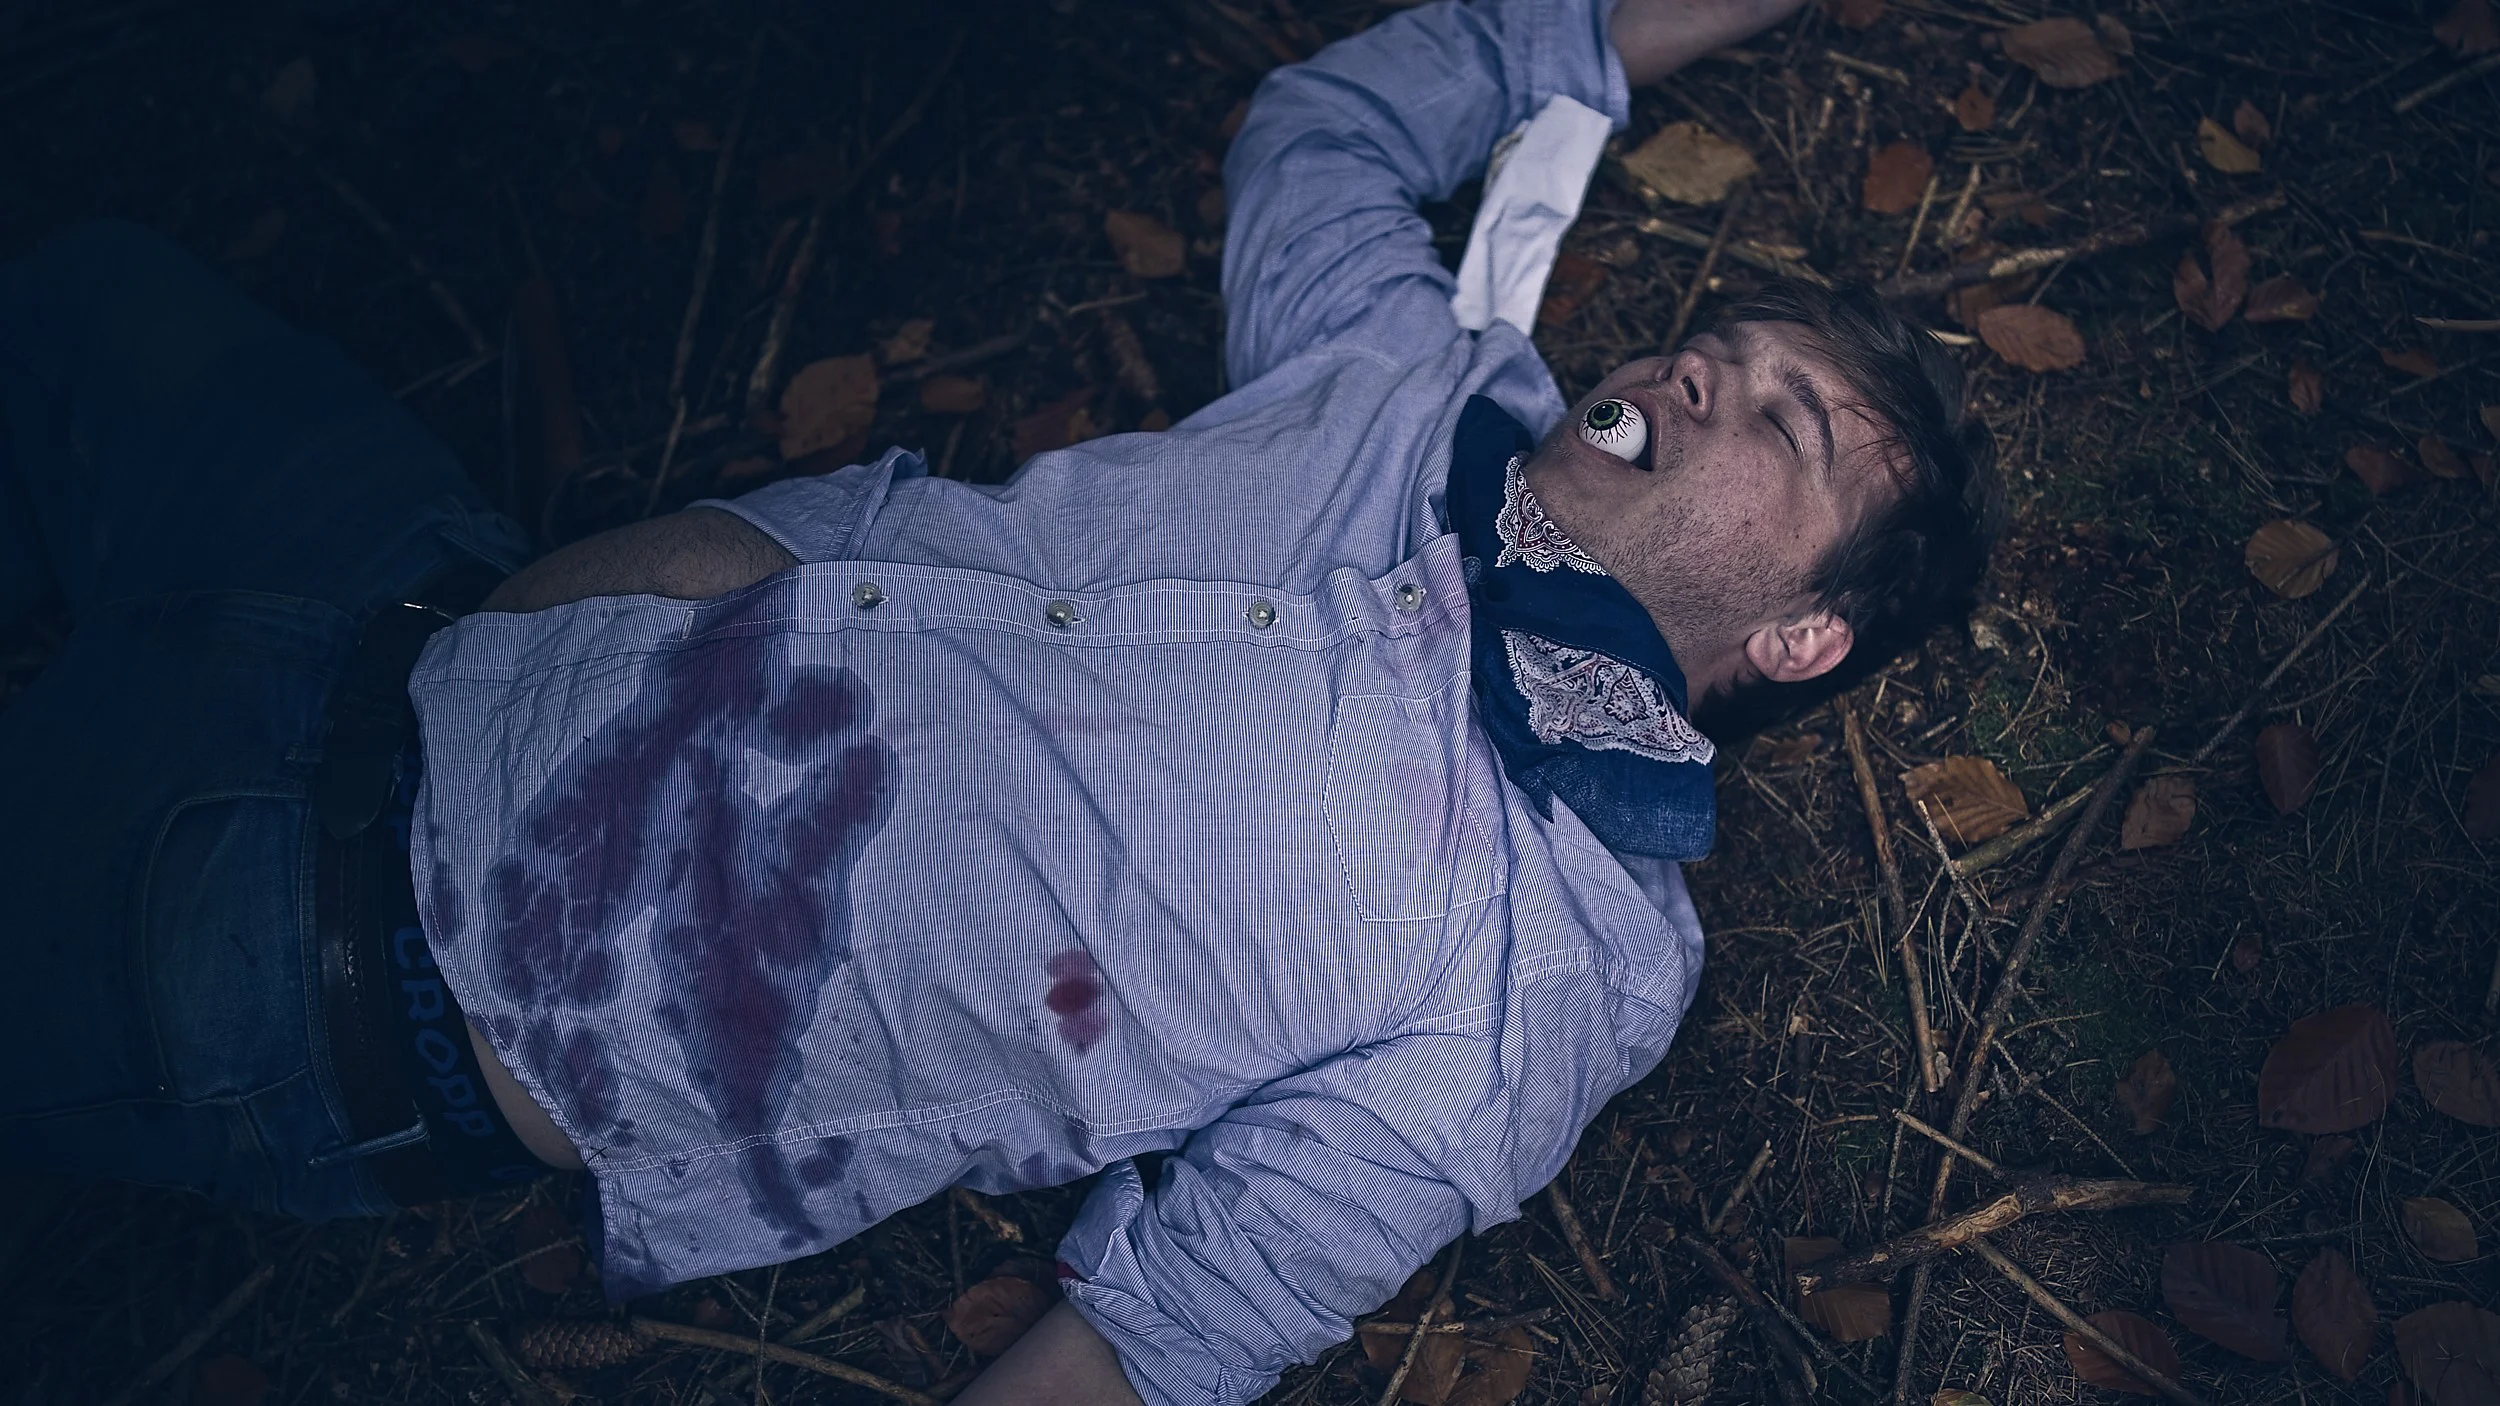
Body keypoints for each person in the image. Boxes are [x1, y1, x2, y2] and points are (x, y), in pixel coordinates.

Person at [0, 0, 2000, 1400]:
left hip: (302, 962)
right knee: (78, 292)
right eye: (1725, 343)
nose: (1703, 369)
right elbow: (1322, 134)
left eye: (1785, 425)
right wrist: (1633, 28)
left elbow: (1171, 1326)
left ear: (1800, 636)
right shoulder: (1415, 391)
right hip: (374, 582)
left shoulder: (1544, 955)